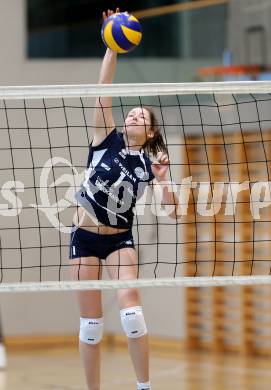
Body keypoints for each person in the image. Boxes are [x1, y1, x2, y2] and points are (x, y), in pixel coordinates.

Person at [70, 9, 179, 390]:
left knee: (132, 315)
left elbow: (174, 213)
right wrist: (110, 45)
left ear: (150, 132)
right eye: (130, 112)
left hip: (119, 239)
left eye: (140, 116)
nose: (132, 116)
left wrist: (165, 182)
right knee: (91, 327)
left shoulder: (151, 164)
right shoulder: (106, 138)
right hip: (84, 236)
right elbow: (104, 87)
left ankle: (144, 387)